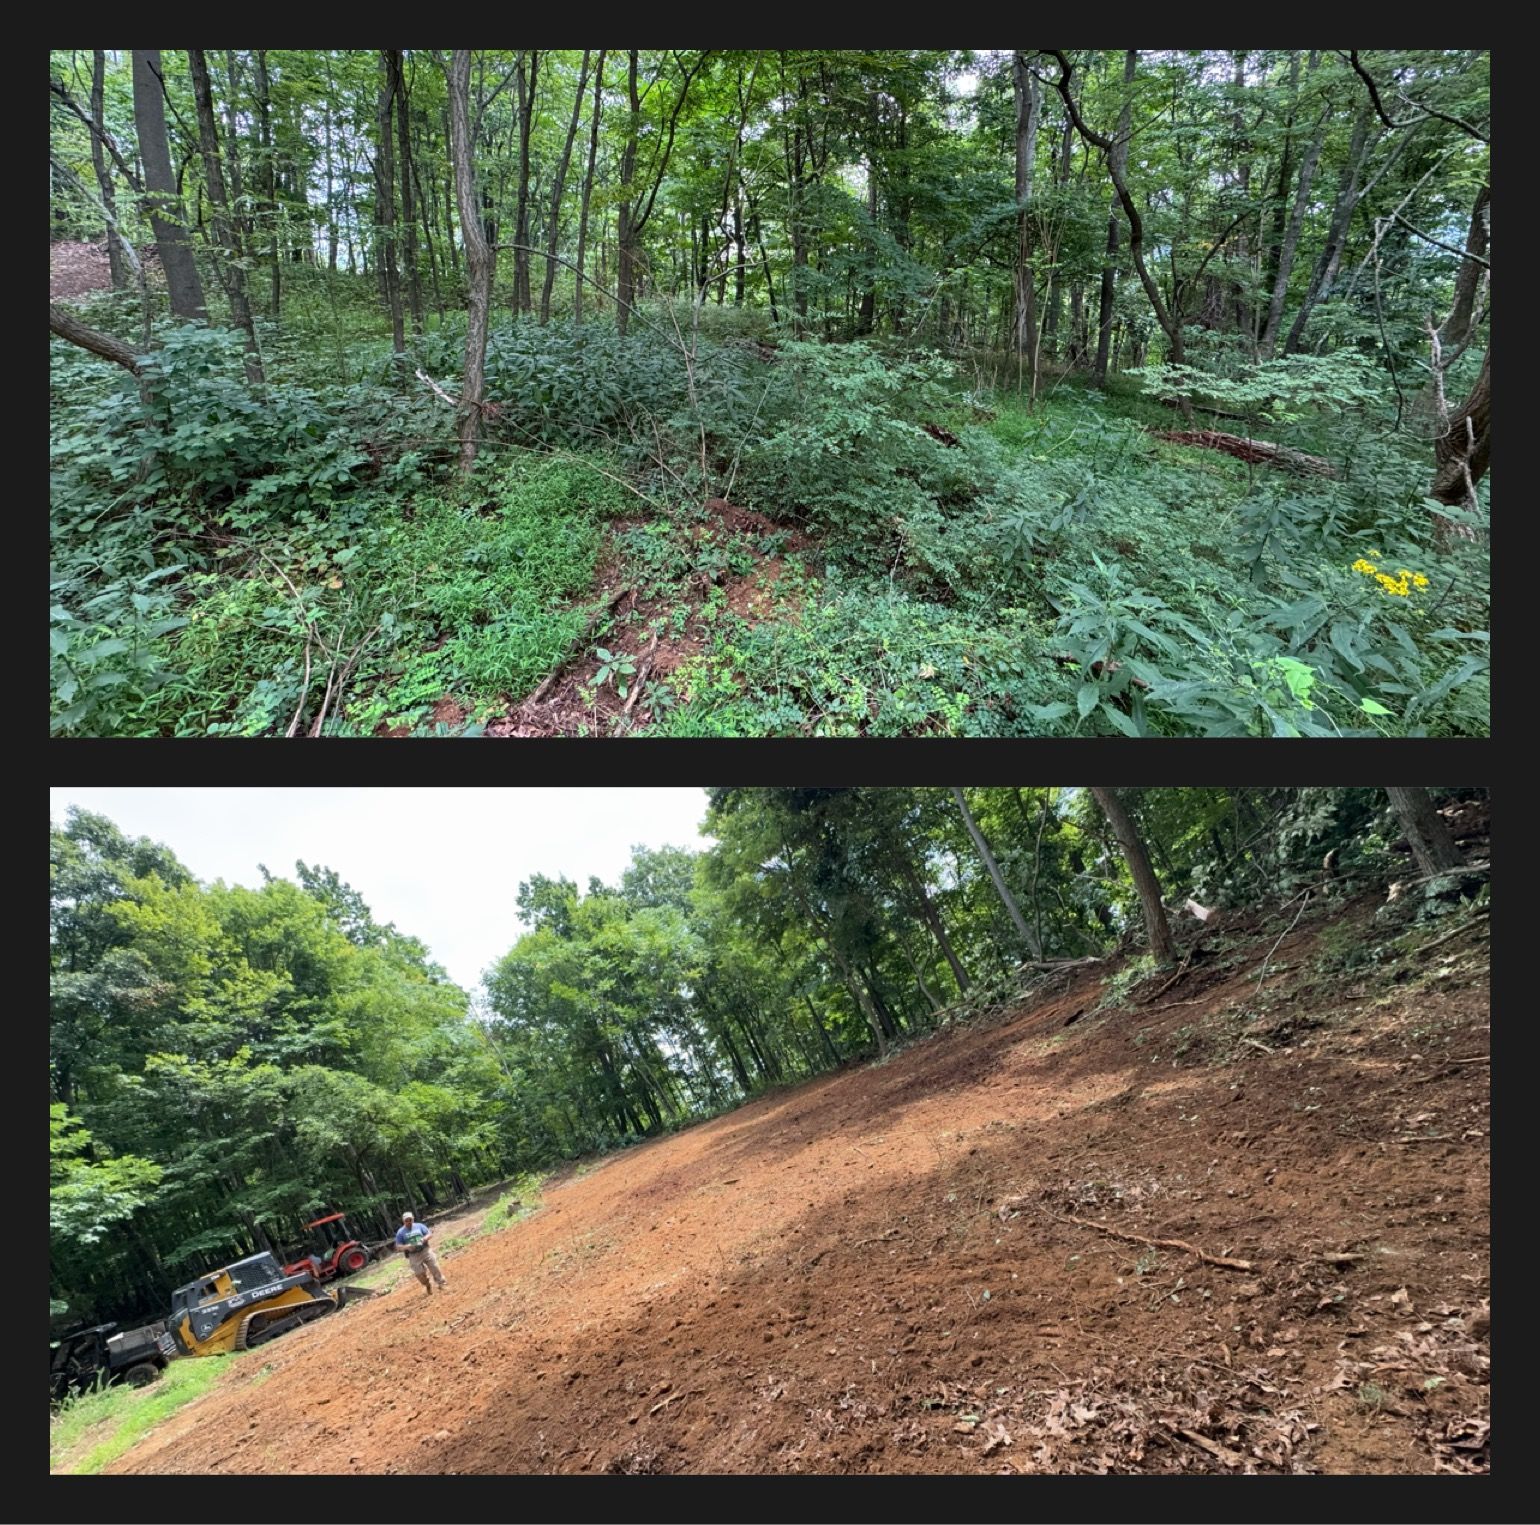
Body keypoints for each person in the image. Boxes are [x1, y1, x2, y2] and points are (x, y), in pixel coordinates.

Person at [395, 1211, 447, 1295]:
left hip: (425, 1250)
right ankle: (427, 1284)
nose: (408, 1222)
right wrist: (407, 1246)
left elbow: (429, 1234)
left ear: (413, 1219)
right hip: (413, 1255)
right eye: (406, 1220)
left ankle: (442, 1284)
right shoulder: (400, 1232)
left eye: (410, 1220)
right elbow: (398, 1246)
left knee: (435, 1266)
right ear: (403, 1221)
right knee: (419, 1273)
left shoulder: (419, 1226)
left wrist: (424, 1239)